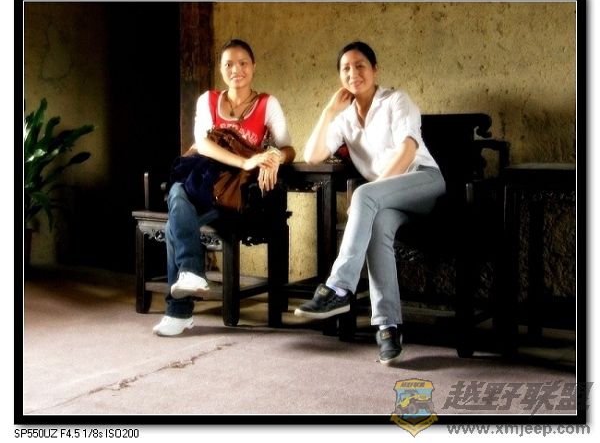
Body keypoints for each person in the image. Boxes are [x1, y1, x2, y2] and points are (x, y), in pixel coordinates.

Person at [294, 41, 445, 365]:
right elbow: (313, 155)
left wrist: (373, 192)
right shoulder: (344, 118)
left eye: (360, 65)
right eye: (345, 68)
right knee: (377, 229)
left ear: (375, 69)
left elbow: (408, 149)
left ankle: (338, 288)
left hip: (424, 182)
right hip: (386, 201)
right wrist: (328, 111)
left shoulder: (396, 100)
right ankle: (388, 328)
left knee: (364, 194)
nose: (353, 73)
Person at [153, 39, 296, 336]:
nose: (236, 70)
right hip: (203, 180)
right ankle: (189, 280)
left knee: (175, 216)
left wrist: (273, 157)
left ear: (253, 67)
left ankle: (181, 306)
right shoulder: (208, 100)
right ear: (220, 69)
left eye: (243, 63)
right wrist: (245, 161)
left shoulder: (267, 103)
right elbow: (203, 144)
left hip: (234, 191)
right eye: (228, 64)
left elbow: (288, 148)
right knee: (178, 193)